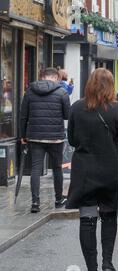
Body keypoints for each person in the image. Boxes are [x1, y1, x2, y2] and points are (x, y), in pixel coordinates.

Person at [66, 68, 118, 271]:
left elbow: (73, 140)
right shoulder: (117, 109)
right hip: (109, 170)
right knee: (109, 215)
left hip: (84, 170)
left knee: (87, 220)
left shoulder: (76, 107)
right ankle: (108, 262)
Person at [20, 67, 71, 213]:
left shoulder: (30, 91)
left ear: (42, 77)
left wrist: (23, 136)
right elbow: (67, 115)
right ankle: (58, 199)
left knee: (35, 169)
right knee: (57, 169)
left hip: (35, 137)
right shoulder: (62, 92)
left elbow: (23, 115)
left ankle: (35, 203)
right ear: (56, 78)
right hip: (55, 137)